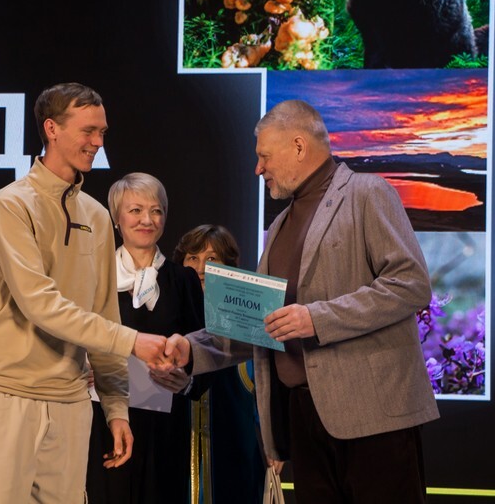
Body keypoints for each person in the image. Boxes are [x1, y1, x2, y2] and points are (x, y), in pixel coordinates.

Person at [162, 99, 439, 504]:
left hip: (375, 419)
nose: (258, 169)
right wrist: (191, 349)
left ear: (298, 146)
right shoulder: (279, 225)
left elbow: (410, 284)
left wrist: (316, 319)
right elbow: (261, 324)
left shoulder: (367, 193)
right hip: (303, 421)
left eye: (264, 156)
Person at [0, 83, 169, 504]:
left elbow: (104, 313)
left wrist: (116, 407)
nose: (98, 142)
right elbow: (40, 304)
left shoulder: (96, 214)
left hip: (71, 404)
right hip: (6, 396)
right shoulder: (10, 205)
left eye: (102, 132)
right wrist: (134, 341)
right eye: (88, 131)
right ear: (51, 129)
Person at [86, 172, 209, 504]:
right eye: (136, 210)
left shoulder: (183, 280)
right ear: (116, 218)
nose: (147, 220)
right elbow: (73, 336)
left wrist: (186, 382)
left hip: (164, 431)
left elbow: (204, 354)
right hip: (102, 421)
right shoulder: (93, 275)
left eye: (156, 211)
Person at [174, 224, 265, 504]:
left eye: (212, 258)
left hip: (236, 461)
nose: (201, 268)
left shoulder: (248, 328)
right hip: (176, 460)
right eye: (193, 257)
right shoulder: (167, 321)